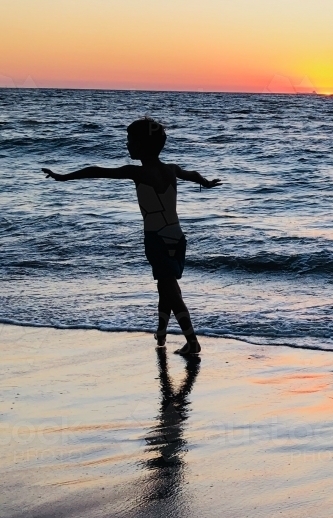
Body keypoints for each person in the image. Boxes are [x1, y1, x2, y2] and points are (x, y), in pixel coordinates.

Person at [43, 118, 221, 355]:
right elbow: (193, 174)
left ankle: (192, 341)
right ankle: (161, 334)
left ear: (143, 145)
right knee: (166, 287)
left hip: (156, 238)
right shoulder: (171, 169)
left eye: (130, 140)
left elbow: (97, 171)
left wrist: (63, 177)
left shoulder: (138, 172)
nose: (127, 145)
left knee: (170, 290)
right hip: (177, 237)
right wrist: (206, 183)